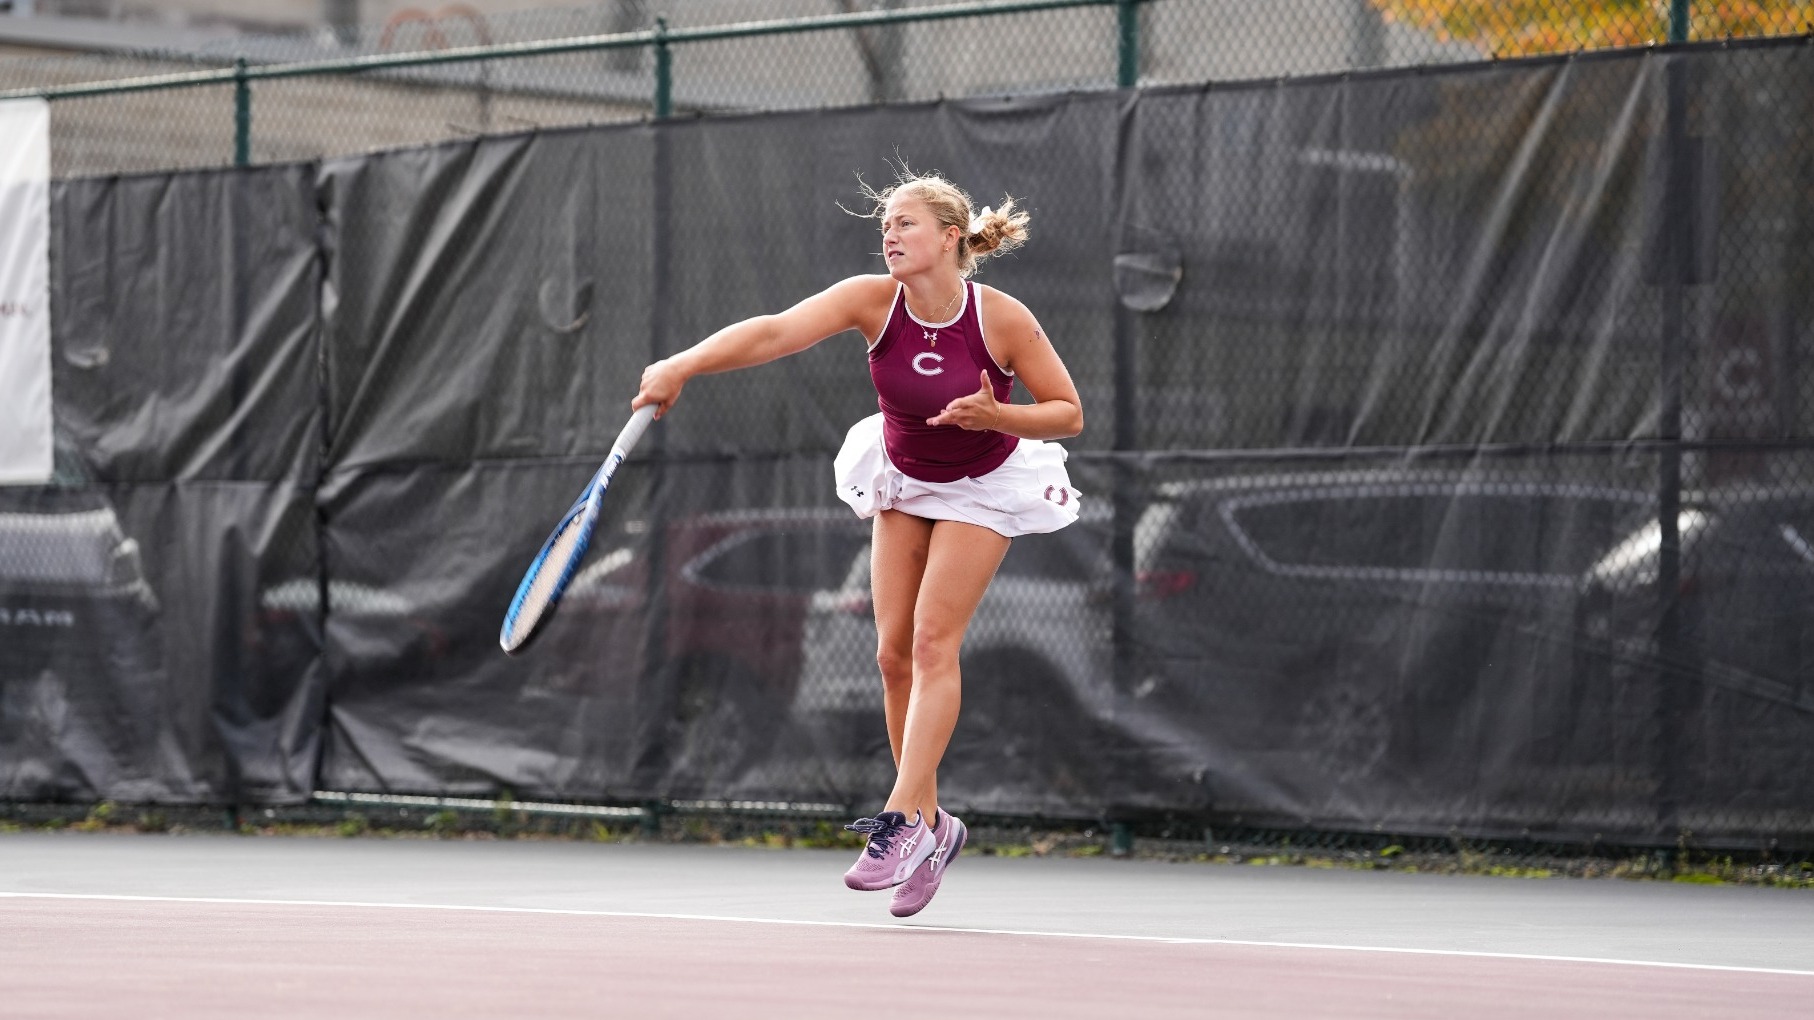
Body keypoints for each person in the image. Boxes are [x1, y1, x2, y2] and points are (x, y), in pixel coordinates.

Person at [631, 170, 1083, 917]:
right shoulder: (871, 301)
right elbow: (774, 331)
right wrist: (683, 364)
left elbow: (1067, 412)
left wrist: (997, 417)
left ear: (948, 238)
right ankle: (934, 828)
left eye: (905, 224)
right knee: (891, 654)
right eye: (886, 225)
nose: (890, 235)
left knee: (936, 643)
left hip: (983, 483)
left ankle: (902, 819)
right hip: (905, 477)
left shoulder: (1002, 319)